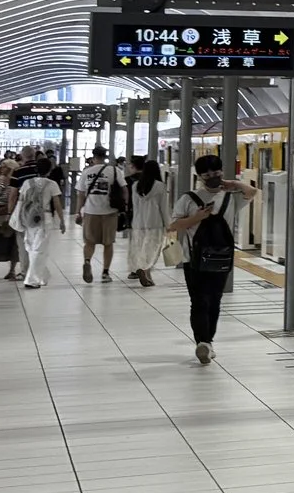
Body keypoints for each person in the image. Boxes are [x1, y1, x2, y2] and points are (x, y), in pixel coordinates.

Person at [170, 154, 255, 363]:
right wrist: (197, 217)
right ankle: (205, 342)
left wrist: (233, 183)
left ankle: (205, 342)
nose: (212, 178)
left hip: (213, 259)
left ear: (222, 173)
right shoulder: (189, 199)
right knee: (205, 301)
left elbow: (252, 192)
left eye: (216, 173)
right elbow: (173, 226)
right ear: (199, 177)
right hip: (198, 259)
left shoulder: (230, 196)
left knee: (208, 301)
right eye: (207, 175)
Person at [13, 157, 65, 289]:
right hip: (45, 218)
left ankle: (41, 276)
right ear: (49, 170)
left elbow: (21, 201)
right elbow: (57, 203)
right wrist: (62, 220)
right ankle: (32, 280)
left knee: (31, 247)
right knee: (39, 249)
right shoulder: (52, 184)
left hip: (29, 218)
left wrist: (19, 218)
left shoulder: (27, 183)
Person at [75, 149, 122, 284]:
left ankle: (87, 261)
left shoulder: (87, 172)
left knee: (89, 242)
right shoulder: (114, 171)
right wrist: (123, 207)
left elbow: (81, 194)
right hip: (110, 212)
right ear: (105, 157)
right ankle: (105, 273)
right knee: (108, 243)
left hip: (90, 212)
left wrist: (78, 212)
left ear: (94, 157)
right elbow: (124, 189)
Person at [125, 155, 166, 287]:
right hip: (155, 222)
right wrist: (169, 224)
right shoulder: (160, 186)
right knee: (152, 249)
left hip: (138, 222)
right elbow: (164, 208)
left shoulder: (135, 186)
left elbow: (135, 206)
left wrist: (134, 222)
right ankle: (145, 270)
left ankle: (144, 271)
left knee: (140, 248)